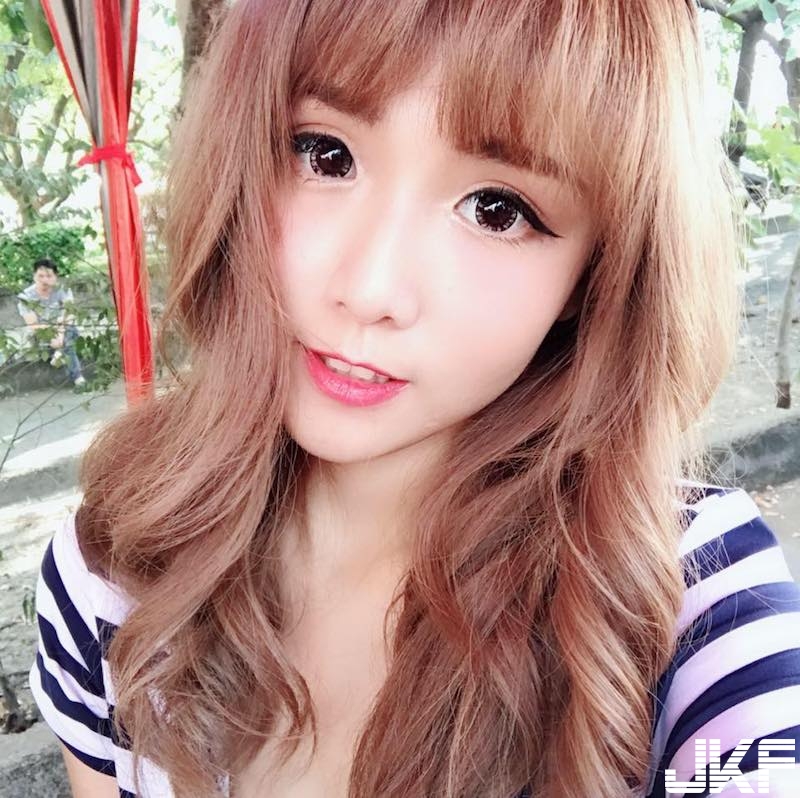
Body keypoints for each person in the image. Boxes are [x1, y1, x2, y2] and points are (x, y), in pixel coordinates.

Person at [27, 1, 800, 797]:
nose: (369, 289)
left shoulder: (697, 607)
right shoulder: (112, 576)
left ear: (594, 273)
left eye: (497, 209)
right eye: (325, 154)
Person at [17, 257, 86, 388]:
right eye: (40, 276)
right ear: (34, 276)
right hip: (41, 333)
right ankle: (77, 377)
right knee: (69, 338)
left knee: (70, 330)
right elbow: (33, 324)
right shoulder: (26, 296)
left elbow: (69, 315)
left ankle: (61, 353)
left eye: (48, 276)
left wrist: (60, 337)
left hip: (64, 330)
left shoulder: (62, 290)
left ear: (55, 277)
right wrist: (52, 336)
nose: (44, 280)